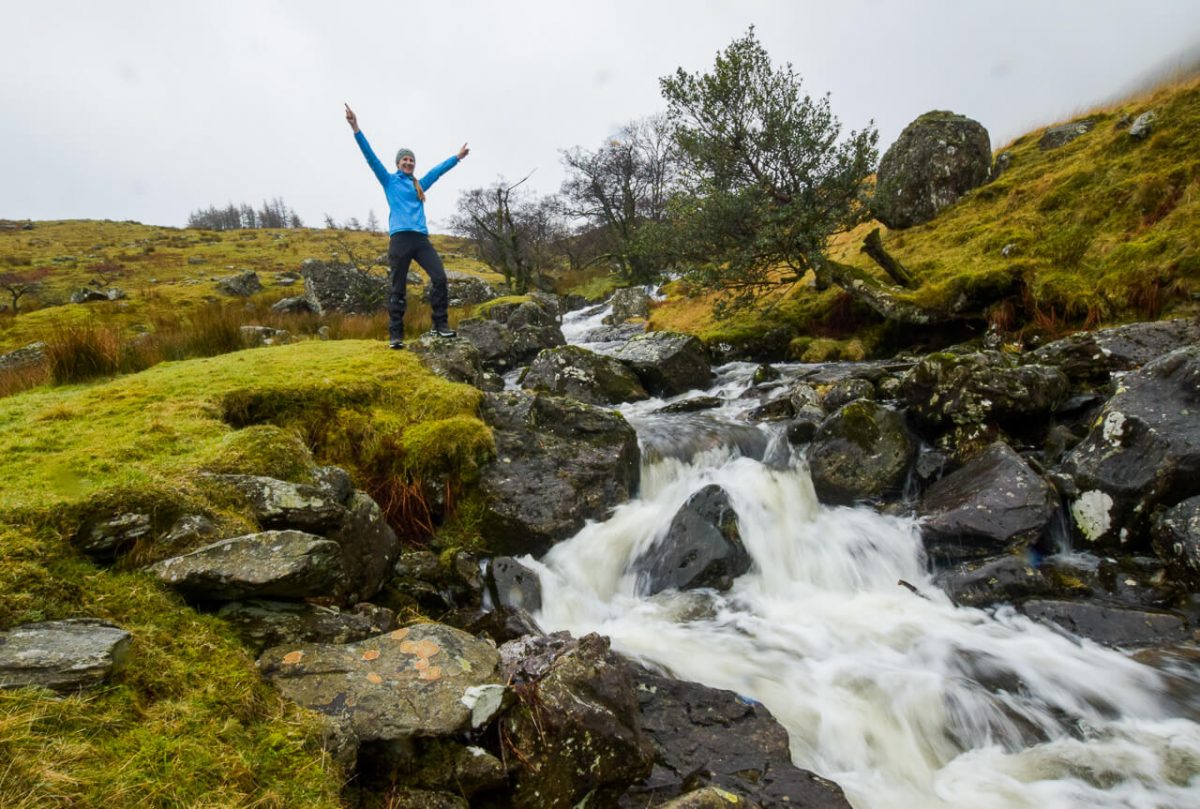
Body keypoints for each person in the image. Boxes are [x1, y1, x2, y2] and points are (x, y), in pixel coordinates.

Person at [344, 103, 469, 349]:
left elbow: (438, 171)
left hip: (421, 240)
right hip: (400, 240)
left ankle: (440, 326)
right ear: (398, 163)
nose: (409, 163)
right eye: (405, 160)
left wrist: (457, 158)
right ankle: (396, 335)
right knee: (398, 288)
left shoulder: (419, 184)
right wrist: (356, 127)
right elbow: (370, 157)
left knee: (440, 278)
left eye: (411, 160)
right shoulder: (389, 181)